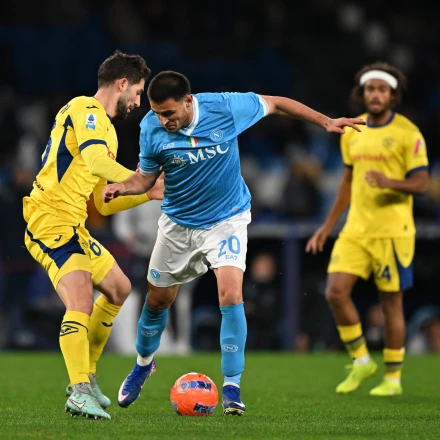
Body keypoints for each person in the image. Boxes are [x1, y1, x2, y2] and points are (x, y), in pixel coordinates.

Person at [102, 70, 365, 415]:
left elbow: (276, 103)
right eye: (157, 113)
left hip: (227, 220)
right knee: (158, 299)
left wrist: (324, 121)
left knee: (230, 294)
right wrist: (123, 186)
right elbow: (146, 179)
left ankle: (231, 387)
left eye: (169, 113)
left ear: (188, 101)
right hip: (179, 223)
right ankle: (143, 364)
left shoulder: (224, 107)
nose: (163, 120)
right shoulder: (151, 127)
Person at [22, 50, 164, 420]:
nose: (138, 101)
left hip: (73, 224)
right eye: (138, 92)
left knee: (119, 288)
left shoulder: (108, 133)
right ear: (122, 84)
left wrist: (146, 193)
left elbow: (103, 202)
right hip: (49, 219)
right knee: (81, 300)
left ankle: (88, 376)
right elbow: (98, 162)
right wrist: (142, 178)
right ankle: (79, 389)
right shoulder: (84, 108)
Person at [306, 62, 429, 396]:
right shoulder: (352, 130)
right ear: (362, 94)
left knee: (391, 304)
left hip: (393, 232)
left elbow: (422, 183)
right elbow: (347, 181)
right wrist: (327, 226)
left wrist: (389, 182)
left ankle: (393, 378)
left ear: (393, 95)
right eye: (370, 89)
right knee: (335, 291)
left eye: (382, 89)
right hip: (356, 230)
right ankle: (362, 361)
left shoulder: (408, 133)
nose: (376, 95)